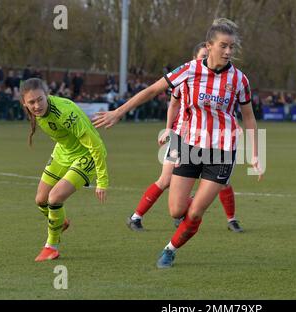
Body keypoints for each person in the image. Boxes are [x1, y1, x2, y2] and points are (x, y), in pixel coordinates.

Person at [93, 18, 262, 268]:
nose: (228, 52)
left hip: (222, 152)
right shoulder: (189, 70)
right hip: (189, 147)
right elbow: (151, 91)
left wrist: (257, 154)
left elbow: (249, 117)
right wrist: (119, 111)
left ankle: (170, 249)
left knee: (194, 213)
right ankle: (196, 206)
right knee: (176, 210)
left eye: (232, 47)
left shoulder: (239, 80)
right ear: (210, 45)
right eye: (224, 46)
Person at [126, 42, 243, 233]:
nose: (206, 58)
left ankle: (231, 220)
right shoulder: (185, 77)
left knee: (223, 182)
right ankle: (136, 217)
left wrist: (234, 125)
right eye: (202, 55)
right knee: (165, 180)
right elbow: (173, 105)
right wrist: (167, 129)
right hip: (182, 137)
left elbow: (223, 111)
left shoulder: (224, 81)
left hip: (213, 139)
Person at [20, 78, 109, 262]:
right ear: (24, 103)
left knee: (54, 198)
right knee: (41, 200)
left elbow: (96, 147)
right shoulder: (36, 113)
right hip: (63, 152)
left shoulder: (65, 113)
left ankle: (51, 247)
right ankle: (61, 222)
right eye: (31, 102)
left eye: (40, 100)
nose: (37, 105)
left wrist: (102, 180)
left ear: (48, 95)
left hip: (87, 155)